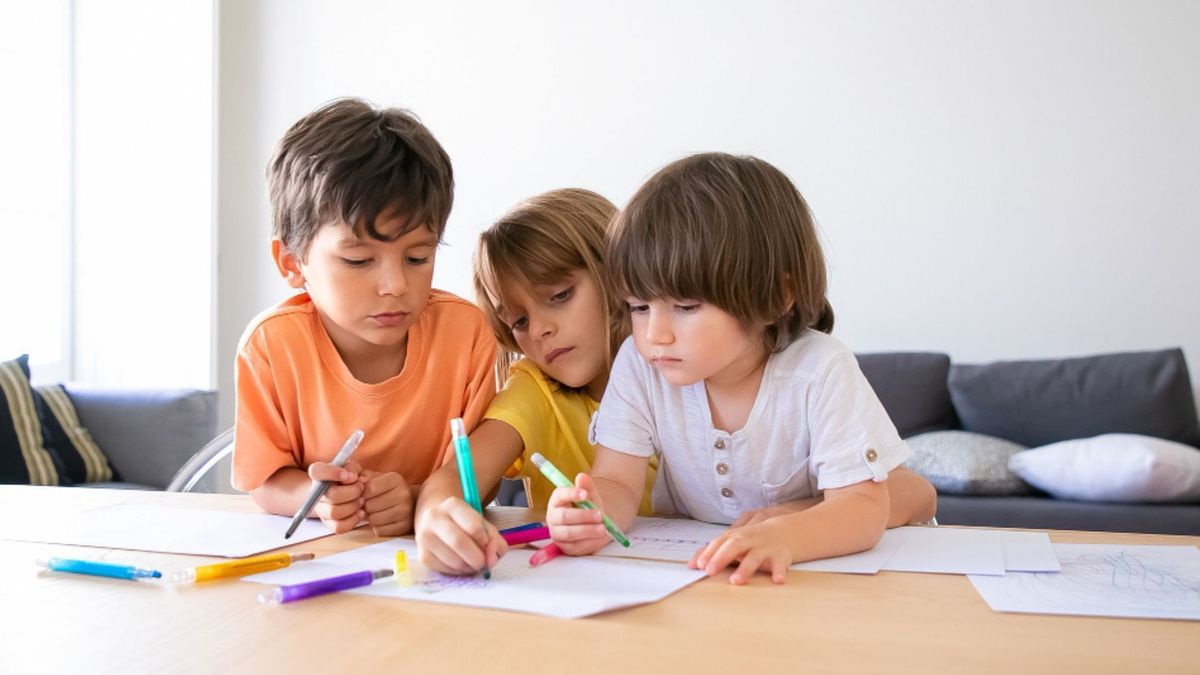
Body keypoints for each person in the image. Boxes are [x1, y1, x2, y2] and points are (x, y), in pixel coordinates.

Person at [547, 153, 937, 584]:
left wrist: (787, 534)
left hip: (819, 582)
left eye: (686, 306)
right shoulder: (640, 367)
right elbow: (617, 483)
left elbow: (862, 508)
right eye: (639, 306)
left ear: (777, 295)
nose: (655, 334)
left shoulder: (821, 370)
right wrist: (593, 513)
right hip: (704, 579)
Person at [232, 98, 497, 537]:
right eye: (358, 260)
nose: (395, 284)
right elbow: (264, 480)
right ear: (292, 263)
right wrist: (315, 498)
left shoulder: (465, 333)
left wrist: (413, 498)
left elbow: (478, 480)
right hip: (320, 559)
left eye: (418, 256)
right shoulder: (271, 347)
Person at [413, 188, 657, 575]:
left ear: (617, 276)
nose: (540, 330)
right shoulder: (535, 388)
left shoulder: (678, 371)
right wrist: (435, 519)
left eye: (560, 295)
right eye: (519, 322)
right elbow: (452, 480)